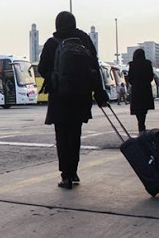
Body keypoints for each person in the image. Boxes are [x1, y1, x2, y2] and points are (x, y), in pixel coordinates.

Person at [38, 11, 108, 190]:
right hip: (81, 96)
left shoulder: (52, 43)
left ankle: (66, 175)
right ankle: (74, 171)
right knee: (75, 134)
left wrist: (54, 76)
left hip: (60, 97)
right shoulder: (84, 40)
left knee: (62, 136)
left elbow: (42, 68)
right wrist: (99, 93)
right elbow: (94, 66)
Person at [127, 49, 155, 134]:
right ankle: (142, 126)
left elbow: (130, 78)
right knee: (144, 109)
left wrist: (135, 83)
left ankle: (141, 126)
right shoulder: (147, 64)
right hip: (145, 90)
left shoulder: (132, 64)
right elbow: (150, 77)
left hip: (136, 90)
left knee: (138, 109)